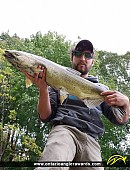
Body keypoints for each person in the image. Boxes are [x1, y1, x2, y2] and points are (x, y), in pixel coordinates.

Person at [23, 40, 130, 170]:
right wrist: (43, 89)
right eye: (78, 53)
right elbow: (45, 116)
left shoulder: (102, 89)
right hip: (64, 131)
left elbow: (119, 120)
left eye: (88, 55)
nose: (83, 58)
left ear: (93, 61)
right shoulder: (55, 81)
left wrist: (126, 102)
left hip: (91, 139)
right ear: (72, 57)